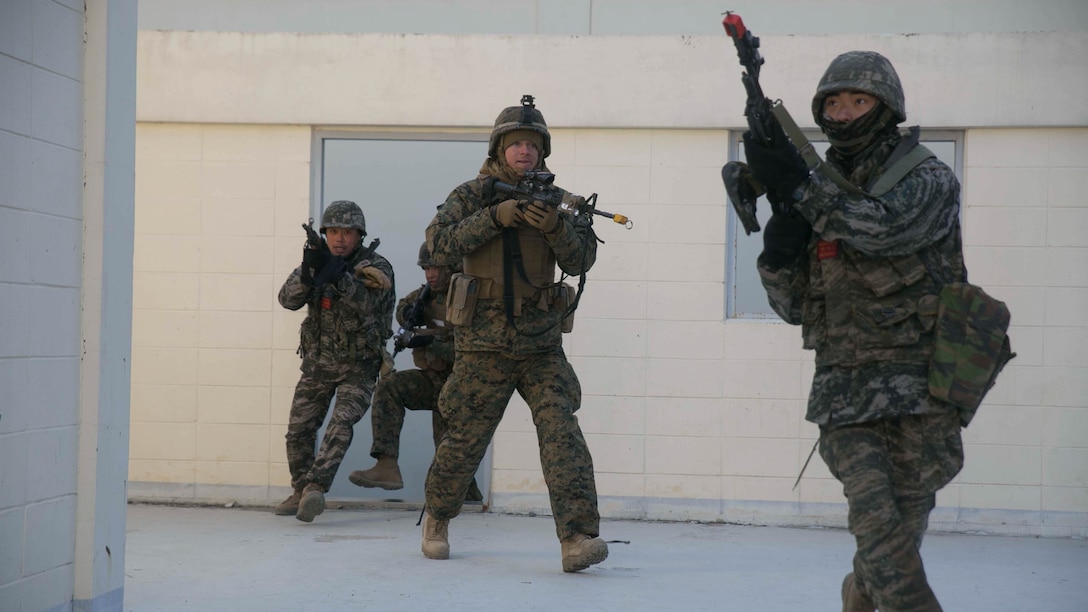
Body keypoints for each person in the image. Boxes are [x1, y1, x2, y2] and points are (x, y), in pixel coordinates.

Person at [743, 52, 966, 611]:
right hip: (845, 393)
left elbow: (882, 229)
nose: (844, 114)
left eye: (858, 101)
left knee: (896, 540)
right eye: (833, 104)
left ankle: (860, 598)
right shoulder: (820, 195)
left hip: (924, 391)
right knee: (877, 526)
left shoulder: (927, 178)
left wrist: (799, 189)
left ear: (886, 108)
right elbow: (795, 307)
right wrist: (779, 246)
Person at [420, 95, 608, 572]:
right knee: (464, 440)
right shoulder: (471, 195)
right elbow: (437, 245)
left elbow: (581, 260)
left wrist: (555, 229)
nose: (524, 151)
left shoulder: (556, 199)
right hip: (483, 345)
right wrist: (495, 217)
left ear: (542, 152)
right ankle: (437, 519)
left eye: (532, 144)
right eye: (516, 143)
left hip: (541, 344)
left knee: (562, 432)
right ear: (499, 148)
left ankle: (577, 537)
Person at [275, 200, 395, 523]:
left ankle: (315, 487)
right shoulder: (318, 260)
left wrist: (340, 277)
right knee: (297, 431)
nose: (339, 239)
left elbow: (369, 304)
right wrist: (308, 273)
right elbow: (286, 300)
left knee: (339, 426)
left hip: (359, 367)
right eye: (333, 232)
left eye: (347, 232)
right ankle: (300, 490)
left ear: (359, 235)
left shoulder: (376, 266)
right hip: (318, 365)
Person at [347, 242, 482, 502]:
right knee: (390, 387)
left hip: (463, 386)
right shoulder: (427, 294)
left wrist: (431, 341)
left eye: (436, 268)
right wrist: (409, 313)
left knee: (448, 457)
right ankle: (386, 465)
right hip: (434, 380)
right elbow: (404, 310)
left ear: (452, 266)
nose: (430, 274)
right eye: (426, 268)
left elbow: (474, 350)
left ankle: (468, 499)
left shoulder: (471, 297)